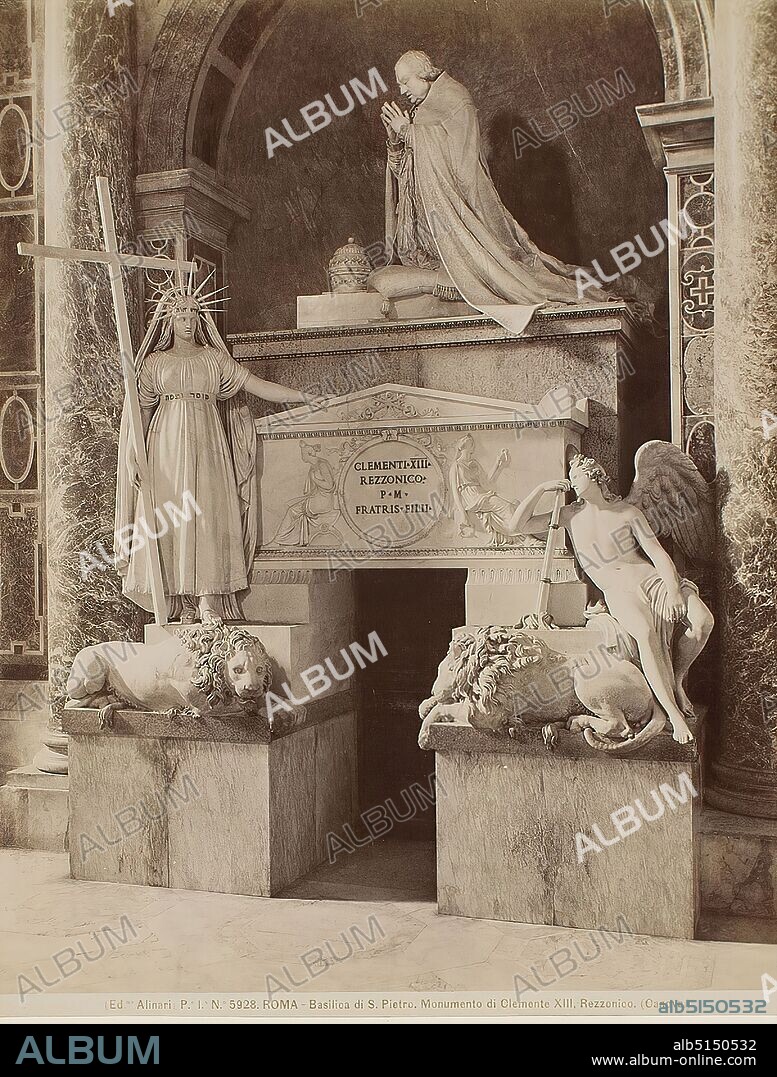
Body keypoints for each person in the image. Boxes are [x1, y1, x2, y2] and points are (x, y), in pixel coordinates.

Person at [378, 50, 611, 333]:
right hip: (429, 240)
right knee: (382, 277)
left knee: (510, 272)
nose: (402, 91)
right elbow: (406, 175)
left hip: (466, 218)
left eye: (405, 82)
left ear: (424, 75)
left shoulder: (454, 98)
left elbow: (461, 168)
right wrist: (395, 141)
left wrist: (409, 132)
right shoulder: (421, 110)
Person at [115, 280, 307, 622]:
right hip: (165, 444)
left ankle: (207, 598)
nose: (188, 322)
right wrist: (133, 452)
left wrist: (301, 396)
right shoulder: (155, 363)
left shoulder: (213, 359)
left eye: (194, 314)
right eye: (181, 315)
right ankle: (181, 600)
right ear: (168, 321)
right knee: (173, 515)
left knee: (206, 515)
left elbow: (256, 385)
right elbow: (140, 411)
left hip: (208, 440)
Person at [508, 454, 714, 743]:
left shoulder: (627, 512)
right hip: (618, 592)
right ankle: (673, 715)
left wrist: (672, 590)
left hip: (652, 581)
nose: (571, 481)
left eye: (576, 475)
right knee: (644, 633)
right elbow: (517, 525)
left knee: (703, 622)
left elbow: (657, 555)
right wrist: (541, 489)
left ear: (594, 476)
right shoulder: (569, 515)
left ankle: (677, 679)